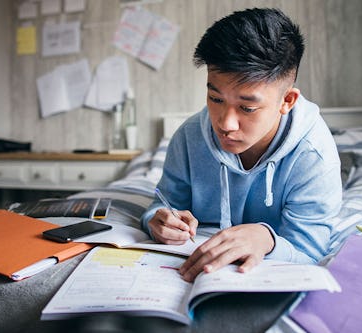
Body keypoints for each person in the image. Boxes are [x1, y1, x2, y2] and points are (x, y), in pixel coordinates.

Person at [141, 8, 342, 282]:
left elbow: (310, 249)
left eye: (247, 108)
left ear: (287, 101)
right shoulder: (188, 138)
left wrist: (267, 239)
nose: (226, 123)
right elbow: (162, 205)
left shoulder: (313, 155)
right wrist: (157, 222)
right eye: (215, 99)